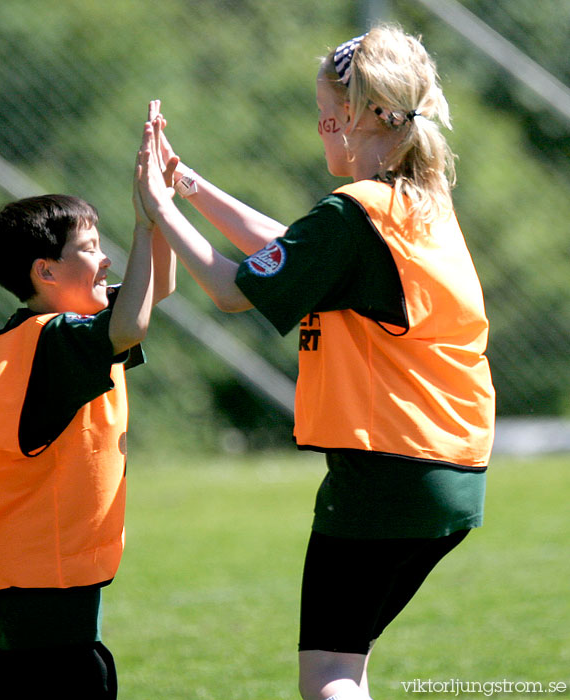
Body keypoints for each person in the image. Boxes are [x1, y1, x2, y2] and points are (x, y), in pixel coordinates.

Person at [135, 25, 495, 700]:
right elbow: (295, 253)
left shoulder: (354, 212)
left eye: (327, 112)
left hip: (384, 467)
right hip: (454, 472)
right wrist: (189, 186)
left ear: (357, 116)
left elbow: (235, 289)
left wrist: (157, 208)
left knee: (329, 673)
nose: (321, 126)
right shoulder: (416, 205)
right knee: (348, 661)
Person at [0, 105, 176, 700]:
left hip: (26, 576)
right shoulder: (53, 342)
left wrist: (162, 212)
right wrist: (143, 223)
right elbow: (130, 324)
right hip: (34, 580)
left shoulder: (54, 337)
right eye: (90, 247)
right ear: (46, 270)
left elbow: (156, 290)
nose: (105, 258)